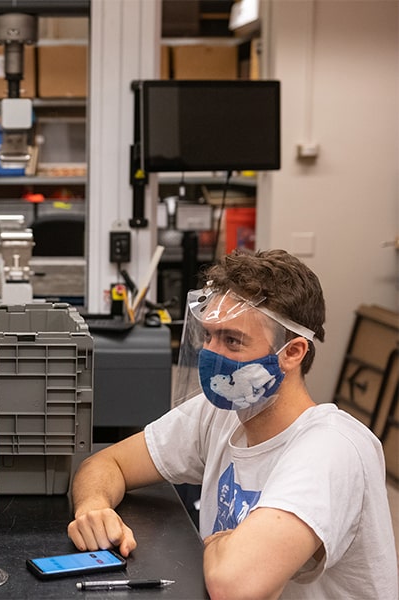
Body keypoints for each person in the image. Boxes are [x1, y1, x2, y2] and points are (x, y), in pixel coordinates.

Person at [67, 249, 398, 599]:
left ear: (292, 353)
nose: (212, 353)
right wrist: (94, 508)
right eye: (209, 336)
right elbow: (106, 463)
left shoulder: (334, 448)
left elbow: (233, 584)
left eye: (232, 340)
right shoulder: (222, 414)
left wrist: (217, 548)